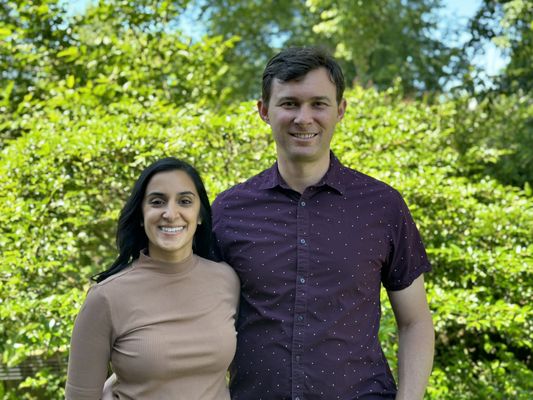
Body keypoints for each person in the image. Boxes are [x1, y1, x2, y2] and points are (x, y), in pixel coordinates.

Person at [211, 47, 434, 399]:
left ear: (340, 111)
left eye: (318, 103)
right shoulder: (227, 211)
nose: (304, 117)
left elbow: (415, 321)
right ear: (264, 111)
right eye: (289, 104)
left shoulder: (383, 206)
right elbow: (189, 313)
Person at [66, 157, 239, 400]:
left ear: (199, 215)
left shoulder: (227, 280)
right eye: (157, 202)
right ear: (140, 215)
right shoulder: (106, 297)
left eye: (185, 201)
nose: (170, 213)